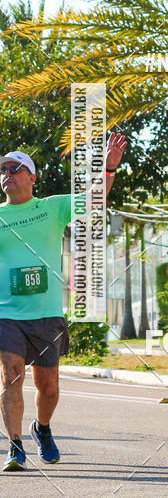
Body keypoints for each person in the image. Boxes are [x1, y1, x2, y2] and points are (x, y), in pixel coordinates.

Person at [0, 133, 127, 471]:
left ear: (31, 177)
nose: (7, 174)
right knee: (10, 375)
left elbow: (94, 199)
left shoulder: (52, 207)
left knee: (49, 385)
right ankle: (15, 447)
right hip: (7, 314)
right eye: (3, 170)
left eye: (15, 169)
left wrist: (109, 170)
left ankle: (41, 428)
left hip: (47, 314)